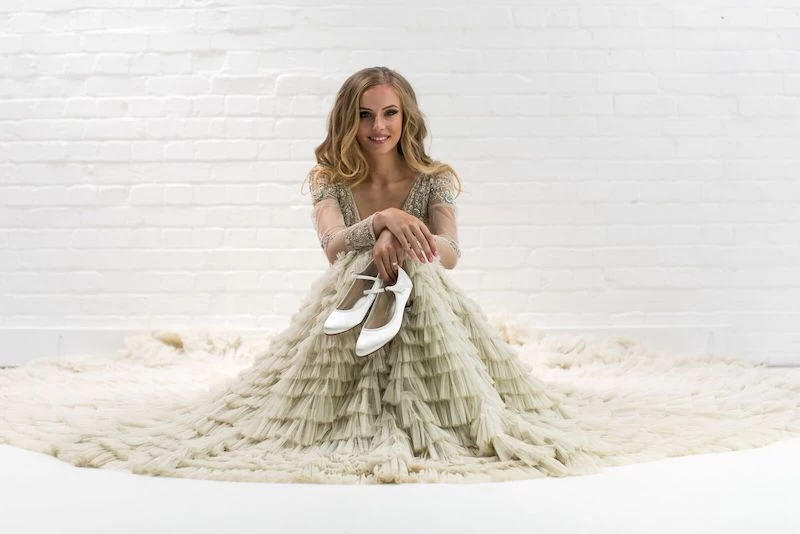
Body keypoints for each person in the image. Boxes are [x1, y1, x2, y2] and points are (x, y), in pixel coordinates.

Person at [4, 66, 799, 485]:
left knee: (419, 279)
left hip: (425, 295)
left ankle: (430, 412)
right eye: (364, 114)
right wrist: (379, 221)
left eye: (388, 113)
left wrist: (407, 237)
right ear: (348, 120)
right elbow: (331, 247)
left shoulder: (435, 176)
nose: (378, 126)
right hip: (347, 298)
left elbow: (450, 251)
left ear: (405, 117)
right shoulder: (329, 175)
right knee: (359, 264)